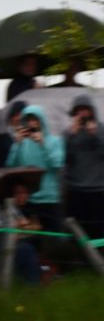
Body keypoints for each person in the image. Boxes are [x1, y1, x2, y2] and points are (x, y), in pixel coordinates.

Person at [5, 105, 65, 231]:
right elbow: (10, 167)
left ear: (41, 121)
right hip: (29, 200)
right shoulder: (21, 143)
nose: (32, 123)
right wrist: (16, 144)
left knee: (55, 239)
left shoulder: (55, 141)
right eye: (29, 120)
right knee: (33, 240)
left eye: (35, 119)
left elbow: (58, 164)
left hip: (50, 199)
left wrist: (43, 143)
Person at [63, 94, 104, 239]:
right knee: (77, 232)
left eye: (85, 109)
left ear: (92, 111)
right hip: (76, 189)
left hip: (98, 189)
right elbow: (65, 159)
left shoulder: (101, 129)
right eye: (79, 110)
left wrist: (96, 136)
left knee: (98, 232)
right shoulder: (69, 132)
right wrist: (72, 136)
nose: (82, 113)